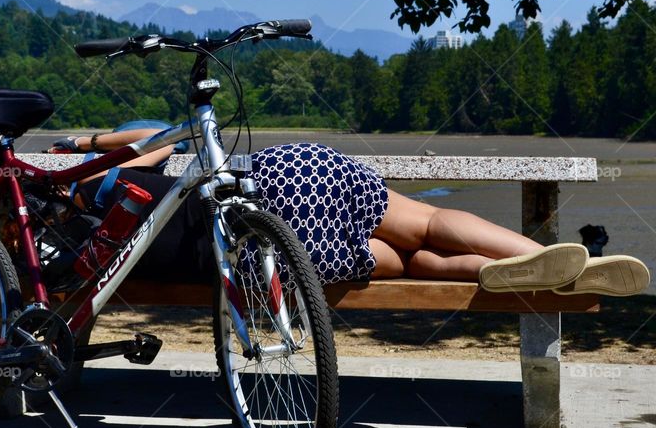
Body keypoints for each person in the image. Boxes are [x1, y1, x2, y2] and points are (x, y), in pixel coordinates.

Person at [49, 130, 651, 296]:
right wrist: (83, 145)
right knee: (426, 224)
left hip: (275, 251)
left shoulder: (86, 241)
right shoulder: (123, 178)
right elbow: (161, 139)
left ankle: (499, 273)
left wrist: (69, 174)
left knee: (413, 262)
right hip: (286, 179)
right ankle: (544, 260)